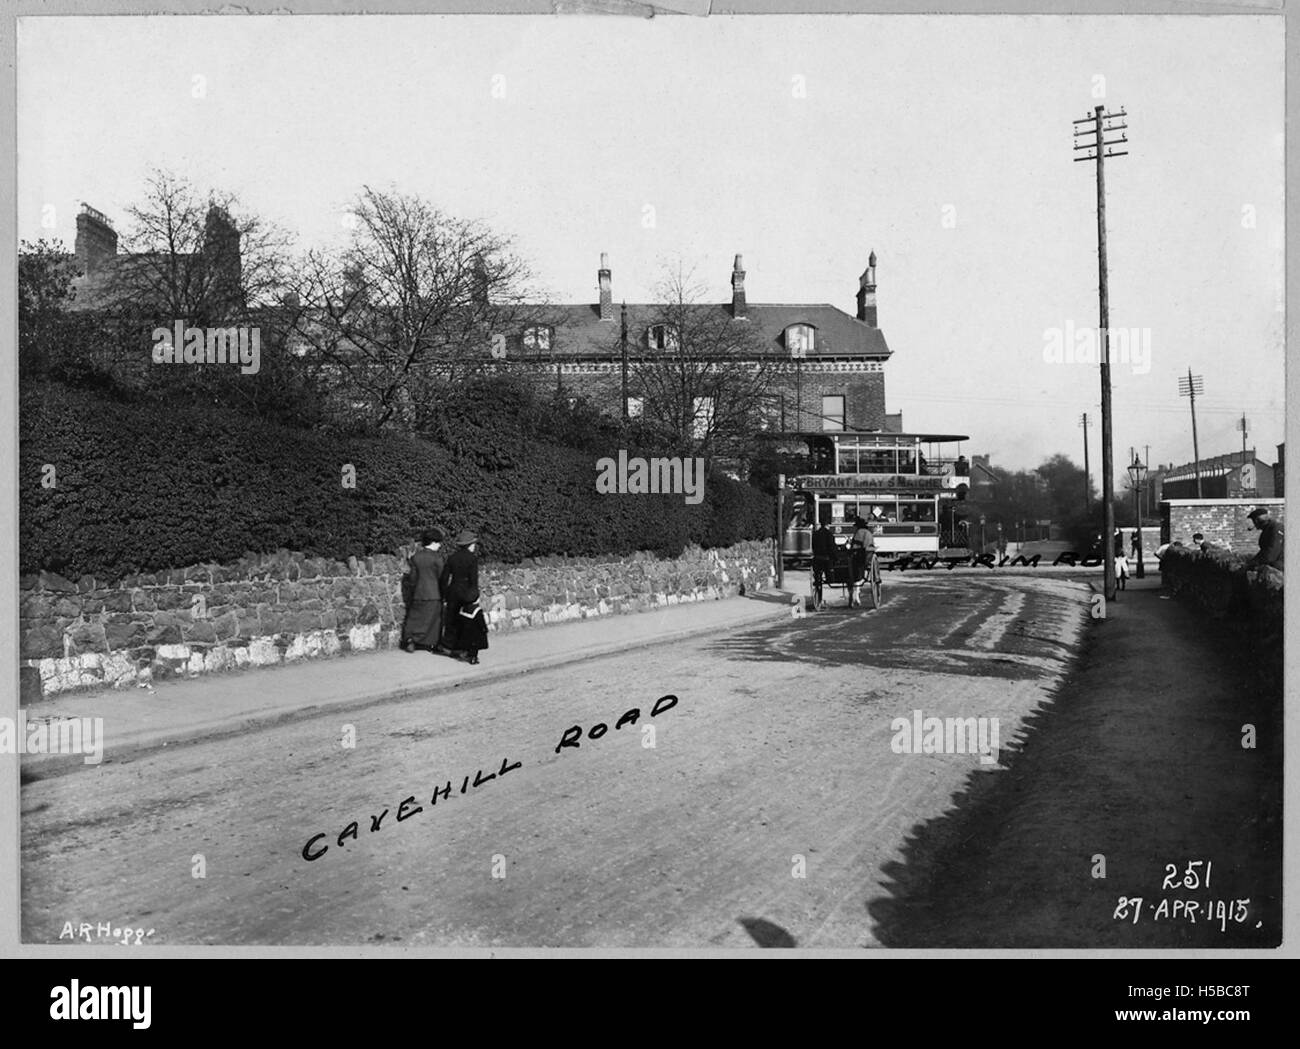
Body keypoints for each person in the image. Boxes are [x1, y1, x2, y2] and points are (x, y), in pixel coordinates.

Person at [400, 528, 446, 654]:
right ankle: (432, 643)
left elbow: (413, 577)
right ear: (433, 542)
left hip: (418, 593)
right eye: (438, 542)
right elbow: (442, 576)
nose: (440, 545)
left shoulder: (416, 557)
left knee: (415, 618)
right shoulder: (437, 558)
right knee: (434, 620)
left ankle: (410, 639)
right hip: (434, 593)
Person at [441, 530, 483, 660]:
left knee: (452, 619)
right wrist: (475, 595)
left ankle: (449, 646)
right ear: (470, 544)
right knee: (466, 621)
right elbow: (473, 580)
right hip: (466, 591)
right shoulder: (472, 559)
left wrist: (445, 593)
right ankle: (464, 648)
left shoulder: (452, 558)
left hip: (454, 590)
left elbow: (444, 578)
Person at [811, 519, 835, 603]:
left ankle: (818, 584)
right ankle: (830, 578)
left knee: (817, 574)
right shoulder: (829, 534)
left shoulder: (815, 534)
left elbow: (813, 546)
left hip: (817, 559)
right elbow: (832, 548)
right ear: (827, 525)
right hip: (827, 559)